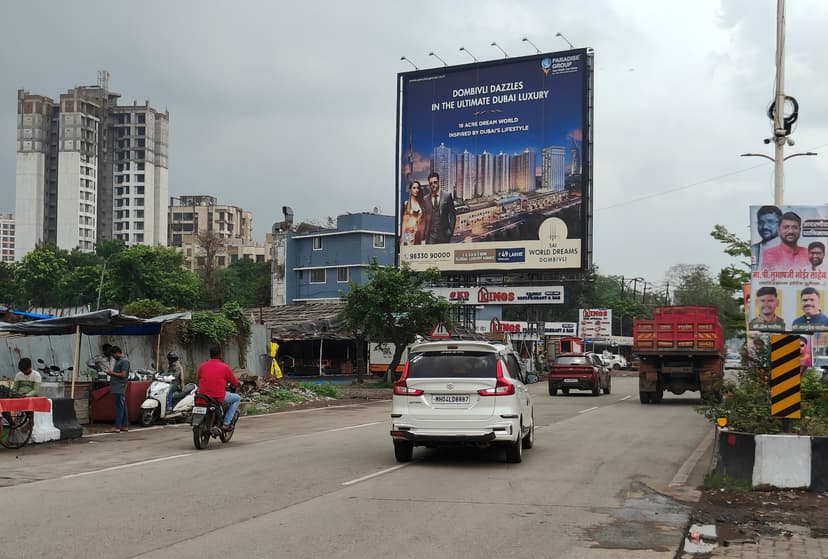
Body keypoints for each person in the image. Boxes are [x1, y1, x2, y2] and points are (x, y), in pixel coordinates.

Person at [197, 346, 240, 431]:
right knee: (237, 398)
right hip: (217, 397)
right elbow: (234, 382)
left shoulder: (202, 366)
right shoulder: (224, 367)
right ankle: (226, 423)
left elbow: (198, 378)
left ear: (210, 355)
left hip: (203, 396)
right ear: (220, 355)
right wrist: (237, 384)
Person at [423, 172, 456, 244]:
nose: (433, 185)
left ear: (438, 182)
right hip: (431, 236)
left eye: (435, 182)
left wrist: (450, 231)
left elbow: (452, 214)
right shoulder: (426, 199)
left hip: (444, 235)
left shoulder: (447, 196)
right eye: (431, 184)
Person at [104, 345, 130, 433]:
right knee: (123, 405)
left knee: (119, 406)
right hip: (116, 385)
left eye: (113, 354)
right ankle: (124, 425)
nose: (113, 357)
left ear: (117, 353)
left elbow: (123, 375)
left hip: (120, 386)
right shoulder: (118, 361)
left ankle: (117, 426)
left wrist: (112, 373)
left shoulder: (124, 361)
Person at [751, 205, 781, 271]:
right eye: (761, 223)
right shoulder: (753, 249)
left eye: (770, 222)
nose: (765, 227)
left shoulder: (791, 250)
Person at [400, 180, 426, 246]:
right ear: (410, 190)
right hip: (408, 234)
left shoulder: (421, 204)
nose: (416, 190)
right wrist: (402, 239)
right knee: (409, 252)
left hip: (419, 234)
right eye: (414, 188)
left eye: (417, 188)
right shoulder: (406, 204)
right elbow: (404, 223)